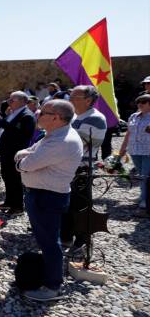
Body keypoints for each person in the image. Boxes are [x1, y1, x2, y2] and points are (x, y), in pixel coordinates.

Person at [15, 100, 83, 301]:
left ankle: (52, 286)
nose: (38, 114)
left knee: (50, 243)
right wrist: (25, 159)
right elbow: (26, 153)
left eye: (43, 112)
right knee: (46, 240)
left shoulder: (62, 141)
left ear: (56, 117)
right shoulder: (53, 135)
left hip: (47, 196)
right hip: (41, 194)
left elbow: (25, 163)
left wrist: (22, 162)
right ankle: (44, 277)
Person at [60, 85, 107, 252]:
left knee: (79, 206)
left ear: (88, 100)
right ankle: (65, 236)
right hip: (66, 167)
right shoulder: (74, 116)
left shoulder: (95, 119)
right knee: (65, 204)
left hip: (81, 169)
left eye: (74, 97)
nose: (70, 100)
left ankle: (82, 241)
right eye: (70, 96)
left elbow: (74, 143)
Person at [0, 91, 36, 214]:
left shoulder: (27, 115)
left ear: (22, 101)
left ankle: (17, 206)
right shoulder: (13, 113)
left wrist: (1, 120)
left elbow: (22, 135)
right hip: (6, 151)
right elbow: (5, 128)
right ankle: (9, 202)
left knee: (15, 179)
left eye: (12, 100)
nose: (8, 102)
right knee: (7, 176)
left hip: (14, 152)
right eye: (9, 99)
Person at [118, 94, 150, 210]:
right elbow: (128, 133)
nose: (140, 104)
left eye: (143, 102)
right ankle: (143, 195)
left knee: (146, 175)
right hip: (134, 150)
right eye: (138, 102)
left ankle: (145, 199)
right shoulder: (133, 116)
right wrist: (122, 150)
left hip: (148, 150)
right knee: (140, 175)